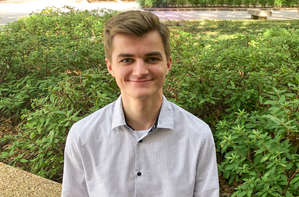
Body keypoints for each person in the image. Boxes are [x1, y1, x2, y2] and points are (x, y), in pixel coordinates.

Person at [61, 10, 219, 197]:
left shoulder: (198, 136)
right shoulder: (83, 136)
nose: (140, 71)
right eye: (127, 60)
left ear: (168, 64)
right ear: (110, 67)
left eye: (151, 59)